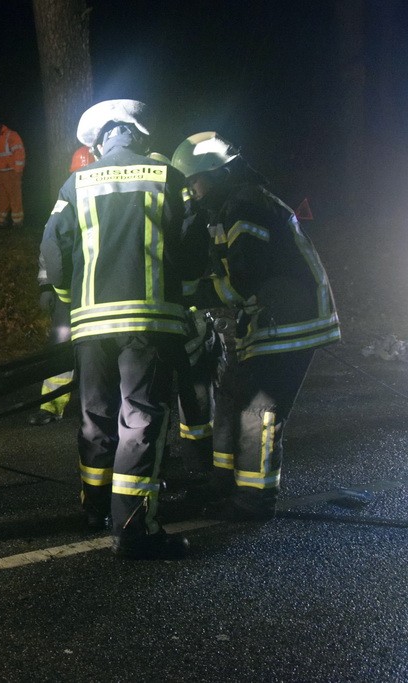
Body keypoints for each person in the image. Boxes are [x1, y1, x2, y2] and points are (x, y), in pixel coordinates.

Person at [39, 99, 204, 560]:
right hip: (149, 321)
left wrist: (73, 304)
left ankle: (94, 508)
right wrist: (186, 296)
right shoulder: (166, 176)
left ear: (99, 143)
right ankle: (133, 530)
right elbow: (193, 248)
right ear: (137, 133)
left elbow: (53, 254)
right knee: (141, 419)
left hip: (91, 324)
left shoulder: (75, 183)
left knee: (95, 415)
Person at [171, 131, 341, 521]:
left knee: (259, 412)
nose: (191, 191)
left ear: (215, 174)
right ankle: (227, 488)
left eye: (194, 181)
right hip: (270, 321)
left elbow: (244, 275)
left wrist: (198, 293)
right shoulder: (229, 206)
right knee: (239, 399)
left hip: (289, 322)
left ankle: (253, 502)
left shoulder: (244, 207)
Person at [27, 146, 95, 427]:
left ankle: (88, 407)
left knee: (82, 348)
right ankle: (52, 405)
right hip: (72, 288)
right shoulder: (69, 199)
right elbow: (50, 246)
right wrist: (46, 285)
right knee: (61, 349)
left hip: (83, 289)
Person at [0, 118, 26, 227]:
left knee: (14, 197)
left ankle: (17, 221)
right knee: (2, 198)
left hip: (12, 172)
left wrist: (17, 170)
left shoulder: (11, 136)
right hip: (1, 173)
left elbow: (19, 153)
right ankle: (1, 220)